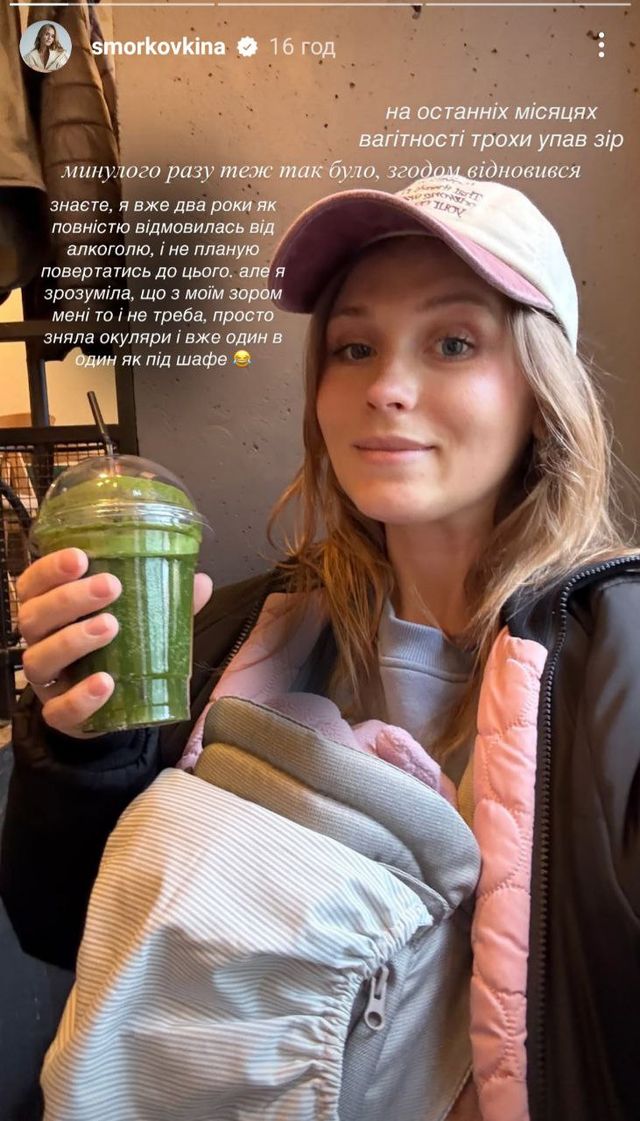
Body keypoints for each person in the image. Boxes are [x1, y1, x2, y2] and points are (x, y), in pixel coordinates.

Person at [1, 173, 639, 1121]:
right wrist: (81, 750)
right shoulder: (236, 637)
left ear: (541, 391)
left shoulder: (620, 665)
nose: (385, 388)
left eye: (453, 342)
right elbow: (74, 935)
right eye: (354, 346)